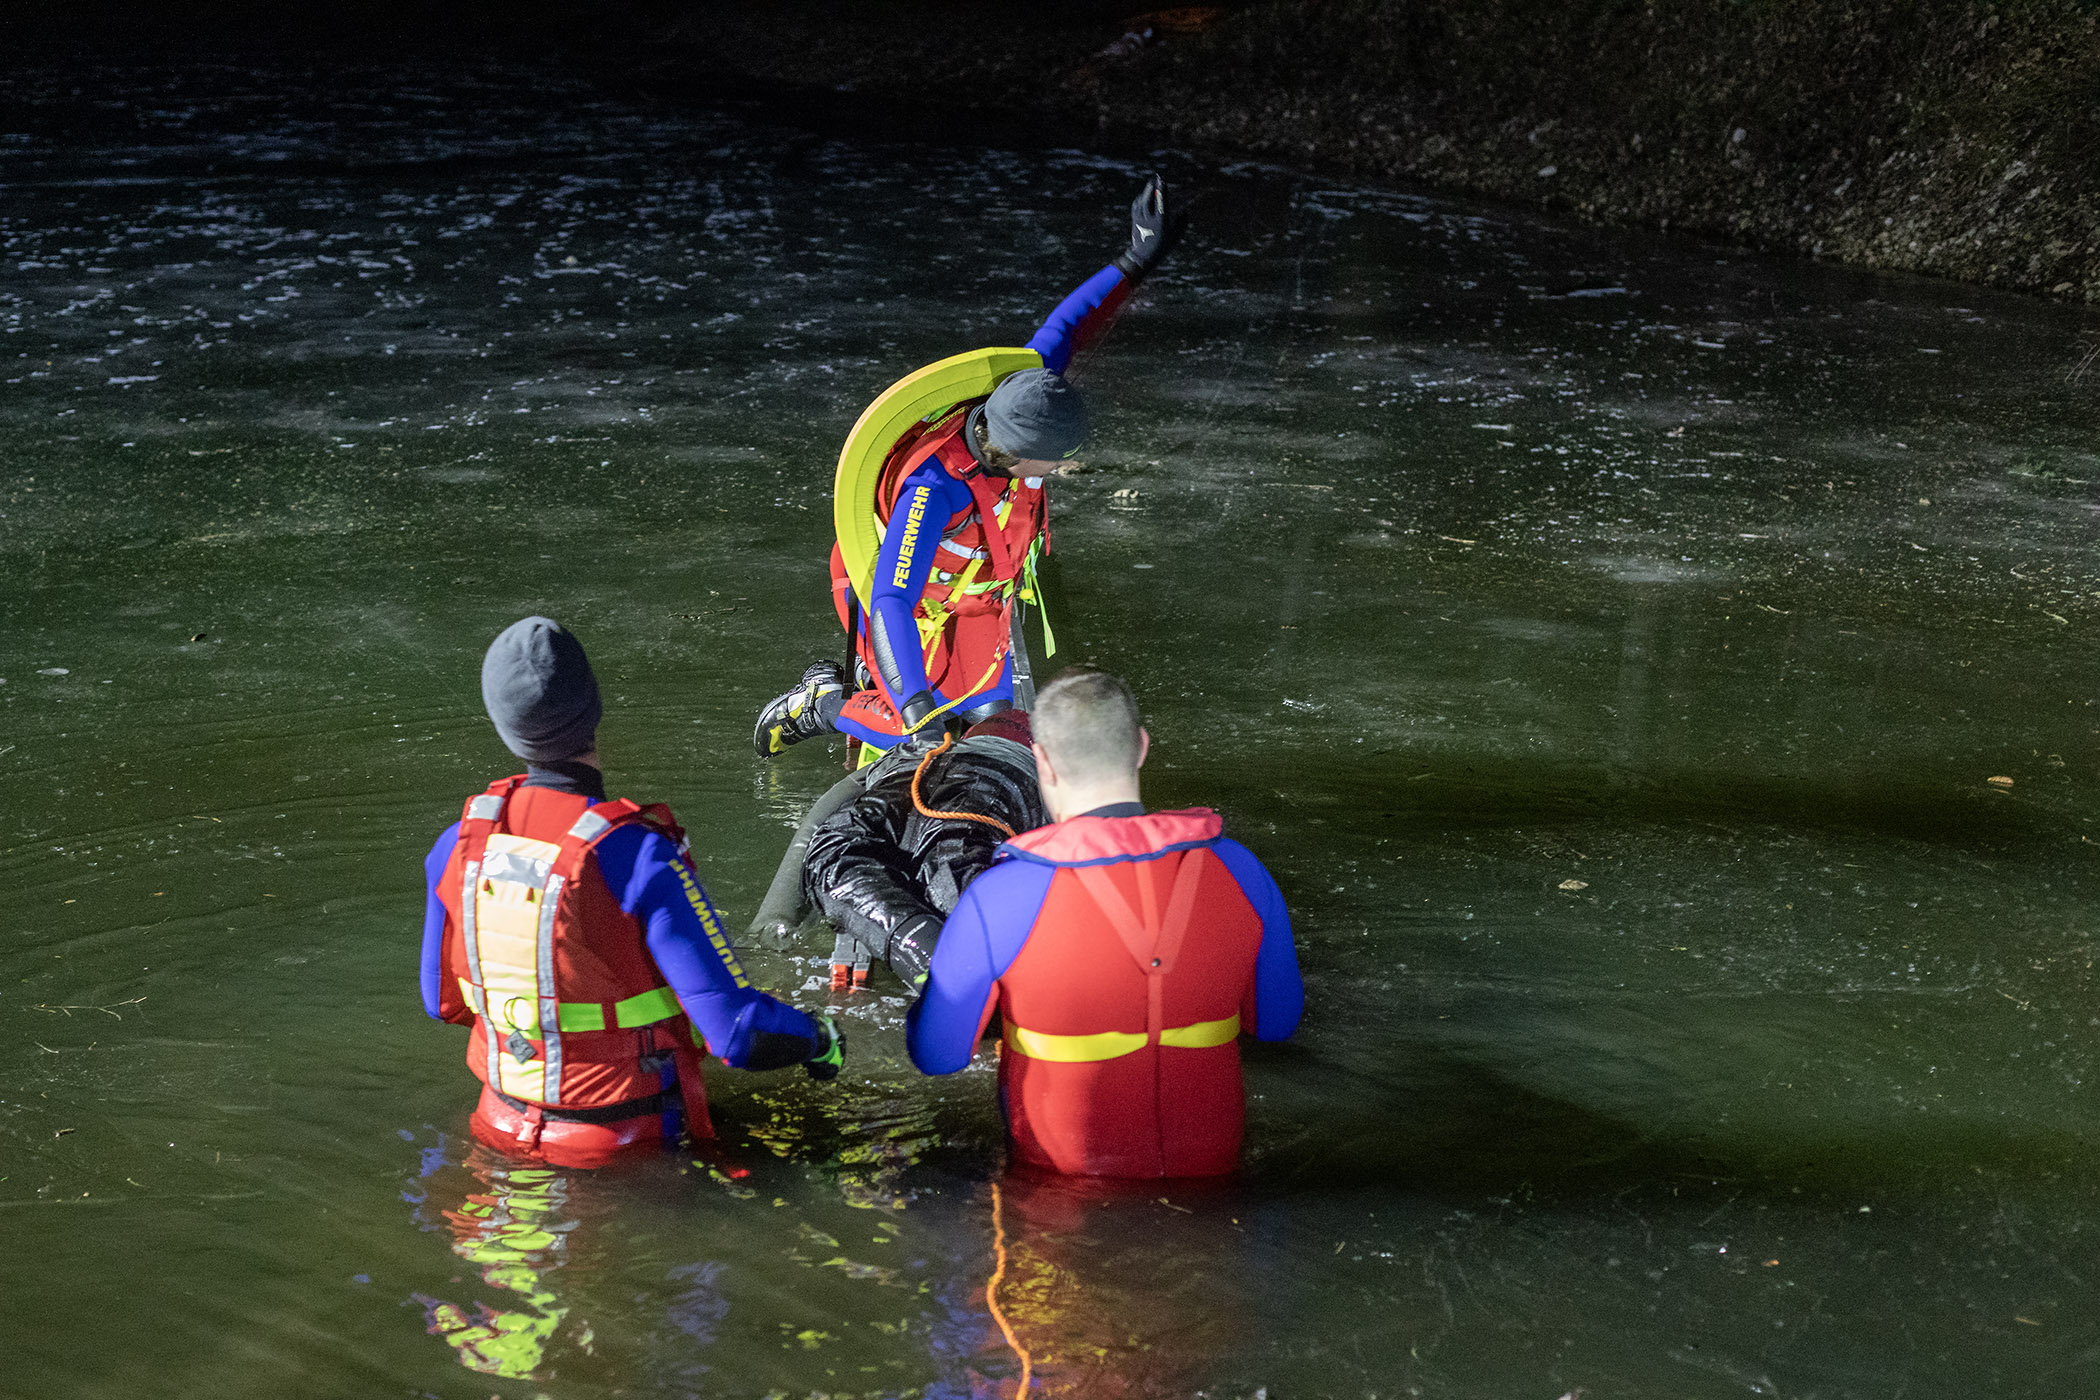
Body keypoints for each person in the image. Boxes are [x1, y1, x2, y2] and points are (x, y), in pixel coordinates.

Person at [754, 174, 1182, 761]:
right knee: (925, 739)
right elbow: (891, 601)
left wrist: (1134, 259)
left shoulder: (1026, 396)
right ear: (1013, 453)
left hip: (978, 594)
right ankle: (822, 703)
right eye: (1054, 462)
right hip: (909, 603)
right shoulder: (935, 492)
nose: (1060, 471)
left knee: (998, 726)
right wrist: (913, 707)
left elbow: (1066, 327)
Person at [420, 616, 842, 1169]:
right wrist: (818, 1037)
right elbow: (736, 1033)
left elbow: (442, 1003)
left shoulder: (459, 844)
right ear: (593, 709)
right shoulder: (637, 854)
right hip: (629, 1151)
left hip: (497, 1129)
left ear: (503, 723)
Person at [905, 670, 1304, 1178]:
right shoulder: (1242, 870)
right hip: (1217, 1183)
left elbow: (938, 1055)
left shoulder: (999, 896)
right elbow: (1276, 1023)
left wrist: (932, 985)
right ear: (1140, 747)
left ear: (1042, 762)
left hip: (1056, 1196)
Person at [801, 709, 1048, 990]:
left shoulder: (928, 747)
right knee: (954, 872)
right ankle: (950, 979)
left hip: (914, 770)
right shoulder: (1045, 762)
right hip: (990, 776)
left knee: (832, 854)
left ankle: (922, 950)